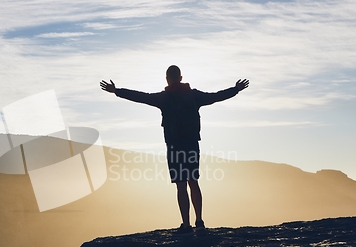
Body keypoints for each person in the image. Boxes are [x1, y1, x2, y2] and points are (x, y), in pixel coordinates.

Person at [100, 65, 249, 233]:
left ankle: (186, 225)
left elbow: (141, 97)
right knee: (194, 182)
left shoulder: (164, 98)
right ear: (181, 78)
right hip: (192, 144)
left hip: (174, 146)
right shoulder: (194, 96)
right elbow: (215, 96)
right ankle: (199, 221)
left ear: (167, 79)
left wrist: (117, 91)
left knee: (181, 186)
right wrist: (235, 89)